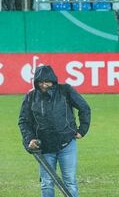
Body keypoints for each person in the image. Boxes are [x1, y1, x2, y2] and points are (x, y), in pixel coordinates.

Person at [18, 65, 91, 197]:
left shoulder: (65, 90)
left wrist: (82, 130)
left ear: (53, 80)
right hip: (45, 148)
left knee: (70, 182)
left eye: (47, 81)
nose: (44, 85)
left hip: (67, 145)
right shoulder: (30, 97)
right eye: (40, 82)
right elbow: (23, 121)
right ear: (36, 82)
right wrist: (29, 139)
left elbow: (84, 108)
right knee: (46, 183)